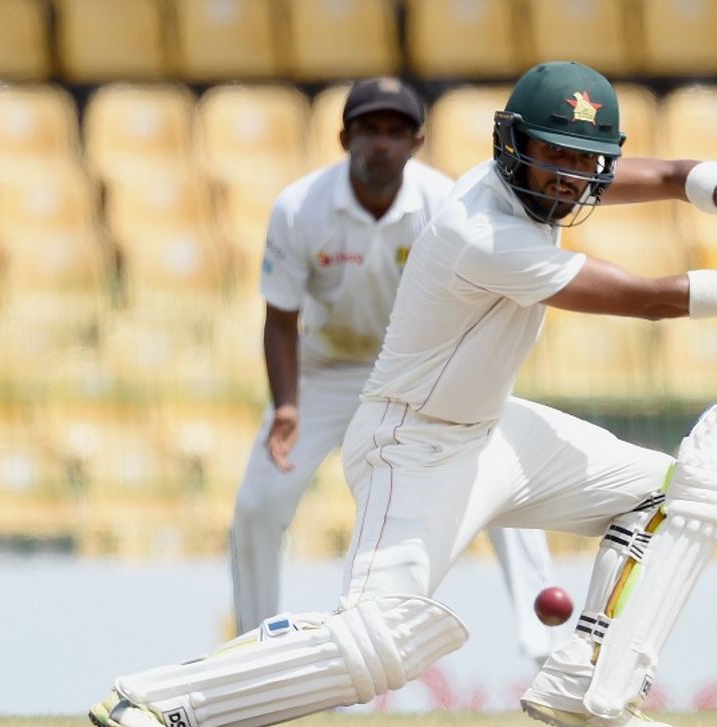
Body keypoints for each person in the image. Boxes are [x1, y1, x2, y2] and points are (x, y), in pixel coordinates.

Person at [89, 61, 717, 727]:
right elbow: (647, 300)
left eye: (587, 163)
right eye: (554, 159)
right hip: (413, 446)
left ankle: (584, 677)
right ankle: (161, 695)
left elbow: (676, 174)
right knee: (385, 643)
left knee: (679, 492)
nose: (571, 180)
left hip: (495, 432)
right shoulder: (482, 229)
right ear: (513, 146)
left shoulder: (548, 183)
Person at [228, 76, 558, 660]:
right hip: (327, 370)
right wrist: (286, 404)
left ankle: (546, 649)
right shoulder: (300, 207)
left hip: (423, 368)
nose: (381, 144)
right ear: (344, 138)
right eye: (368, 131)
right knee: (259, 503)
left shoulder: (443, 203)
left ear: (417, 141)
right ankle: (255, 653)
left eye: (395, 132)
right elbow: (280, 318)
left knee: (501, 476)